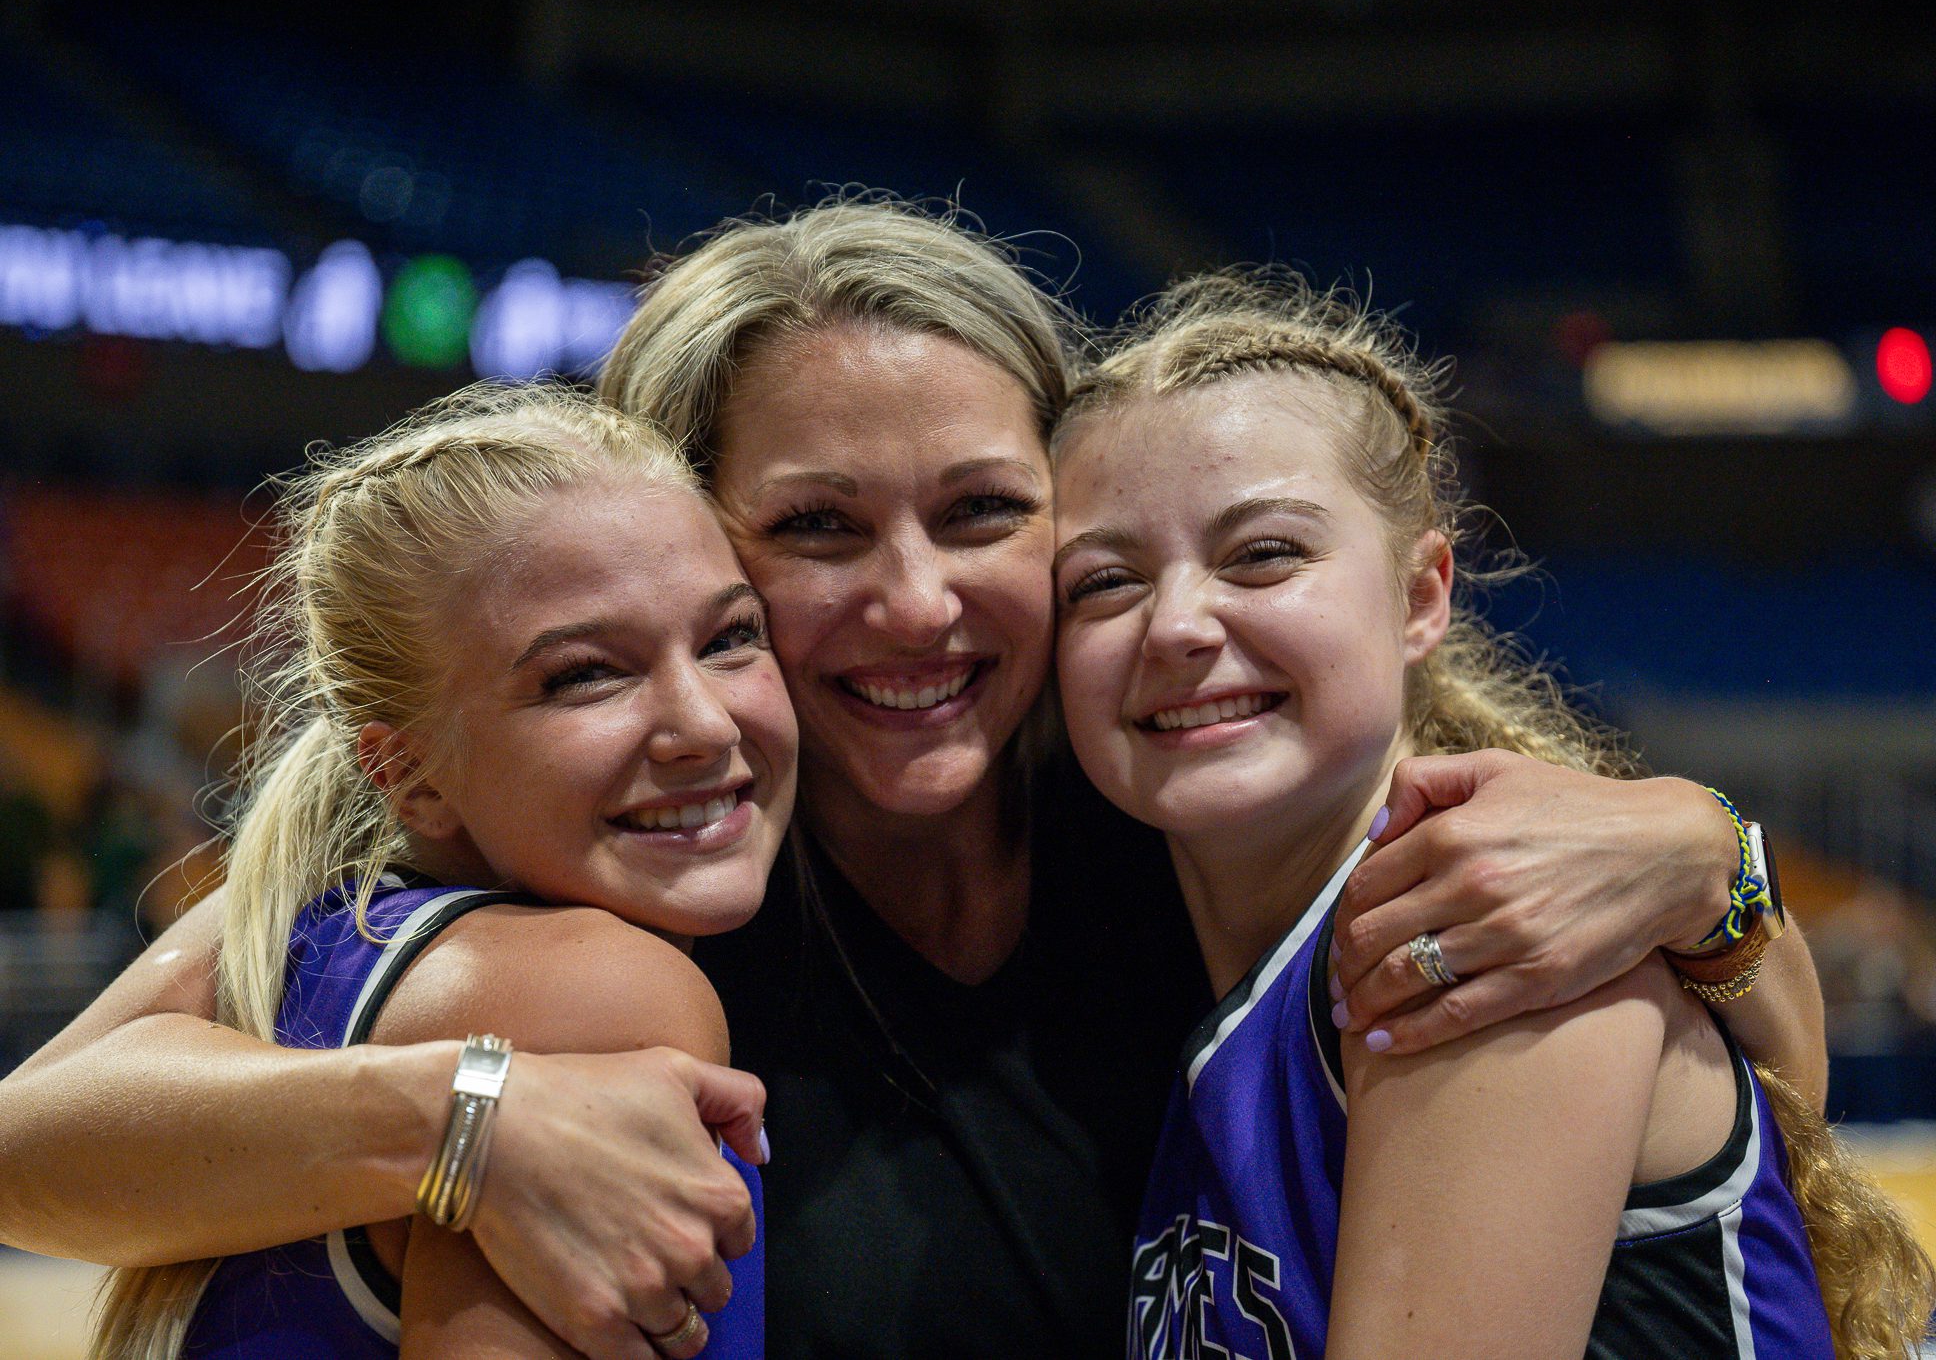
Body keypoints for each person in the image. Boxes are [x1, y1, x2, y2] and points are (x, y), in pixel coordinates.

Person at [0, 198, 1826, 1360]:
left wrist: (1706, 862)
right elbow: (36, 1144)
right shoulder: (618, 886)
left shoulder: (1191, 809)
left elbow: (1763, 1116)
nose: (915, 602)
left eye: (981, 514)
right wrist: (462, 1116)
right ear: (683, 541)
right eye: (814, 529)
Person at [1049, 269, 1934, 1359]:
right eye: (1103, 581)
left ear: (1421, 595)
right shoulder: (1187, 953)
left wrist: (1715, 860)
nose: (1177, 623)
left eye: (1263, 554)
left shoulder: (1490, 931)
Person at [91, 385, 794, 1359]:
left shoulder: (312, 934)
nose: (705, 724)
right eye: (586, 674)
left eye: (729, 638)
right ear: (408, 775)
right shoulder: (598, 993)